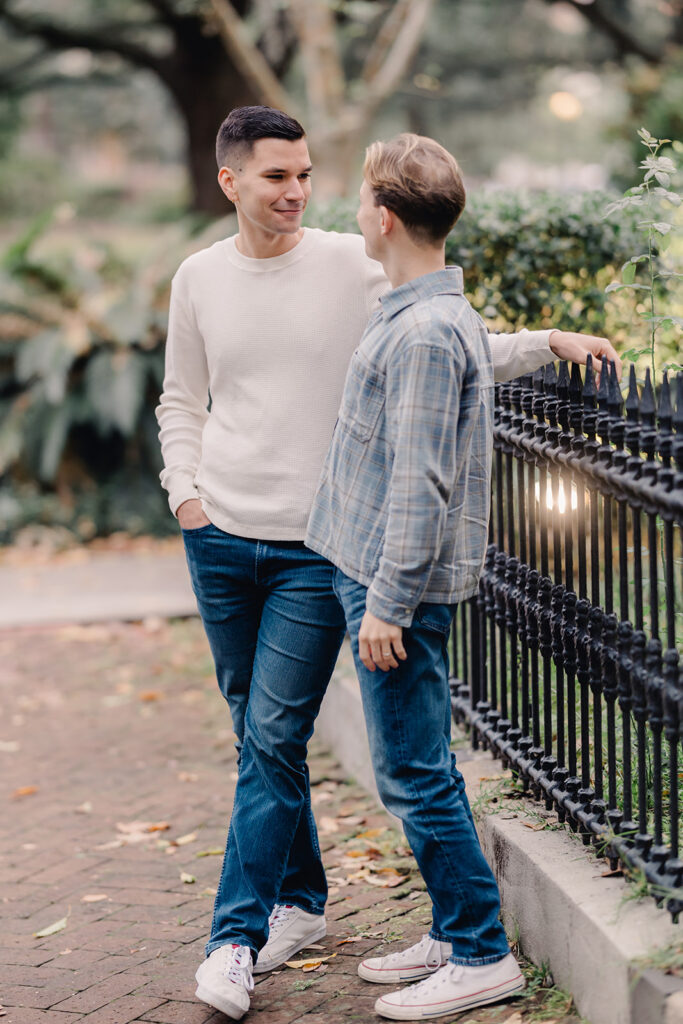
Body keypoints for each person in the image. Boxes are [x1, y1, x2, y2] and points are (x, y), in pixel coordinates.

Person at [156, 105, 620, 1021]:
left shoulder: (348, 261)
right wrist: (187, 497)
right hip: (219, 534)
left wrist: (544, 343)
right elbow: (183, 397)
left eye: (305, 176)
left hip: (313, 548)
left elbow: (439, 348)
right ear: (230, 182)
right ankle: (298, 902)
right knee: (258, 728)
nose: (295, 193)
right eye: (276, 178)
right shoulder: (198, 277)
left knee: (272, 741)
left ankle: (234, 939)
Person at [306, 132, 523, 1020]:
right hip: (368, 573)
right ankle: (452, 925)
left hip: (394, 589)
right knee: (416, 762)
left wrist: (385, 605)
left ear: (384, 217)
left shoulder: (428, 327)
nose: (354, 211)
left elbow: (421, 480)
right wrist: (545, 340)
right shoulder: (424, 310)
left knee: (412, 772)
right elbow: (460, 385)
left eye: (360, 198)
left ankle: (480, 951)